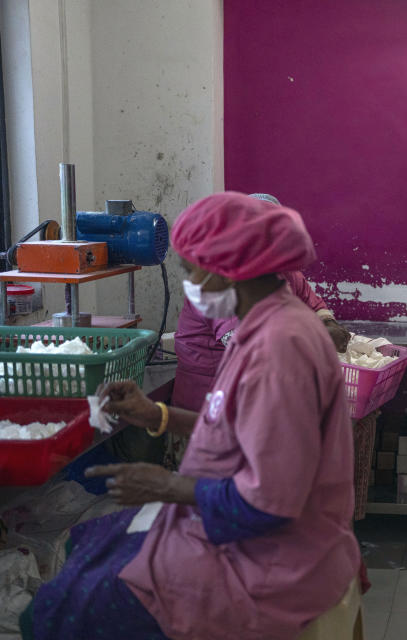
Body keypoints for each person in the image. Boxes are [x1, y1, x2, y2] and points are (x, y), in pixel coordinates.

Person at [20, 193, 361, 640]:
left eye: (194, 270)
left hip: (271, 557)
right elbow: (246, 430)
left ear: (228, 268)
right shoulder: (270, 325)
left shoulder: (278, 351)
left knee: (62, 607)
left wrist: (167, 486)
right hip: (246, 530)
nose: (191, 284)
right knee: (86, 543)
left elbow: (269, 504)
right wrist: (155, 413)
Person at [172, 192, 350, 413]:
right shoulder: (222, 292)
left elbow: (311, 304)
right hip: (207, 392)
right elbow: (251, 349)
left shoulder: (283, 277)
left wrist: (328, 325)